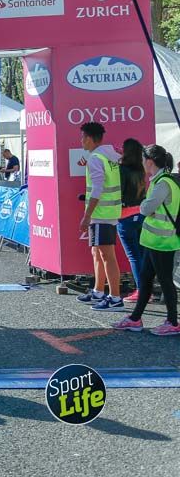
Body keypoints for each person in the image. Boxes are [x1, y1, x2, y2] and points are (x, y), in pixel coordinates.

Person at [112, 145, 180, 335]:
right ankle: (135, 319)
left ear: (150, 161)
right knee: (146, 280)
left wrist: (143, 204)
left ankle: (173, 322)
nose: (142, 163)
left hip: (162, 241)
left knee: (165, 282)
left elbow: (145, 209)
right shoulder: (162, 180)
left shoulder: (163, 183)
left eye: (143, 159)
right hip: (155, 241)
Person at [76, 122, 124, 310]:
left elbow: (97, 189)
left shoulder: (96, 158)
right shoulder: (109, 155)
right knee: (97, 252)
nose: (81, 141)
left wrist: (87, 216)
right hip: (107, 212)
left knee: (106, 255)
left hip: (101, 213)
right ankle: (99, 291)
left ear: (89, 138)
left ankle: (115, 297)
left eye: (82, 137)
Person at [117, 138, 147, 302]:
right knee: (141, 254)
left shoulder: (122, 169)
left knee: (133, 256)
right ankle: (145, 289)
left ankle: (141, 291)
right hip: (141, 214)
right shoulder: (141, 169)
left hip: (126, 215)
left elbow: (118, 192)